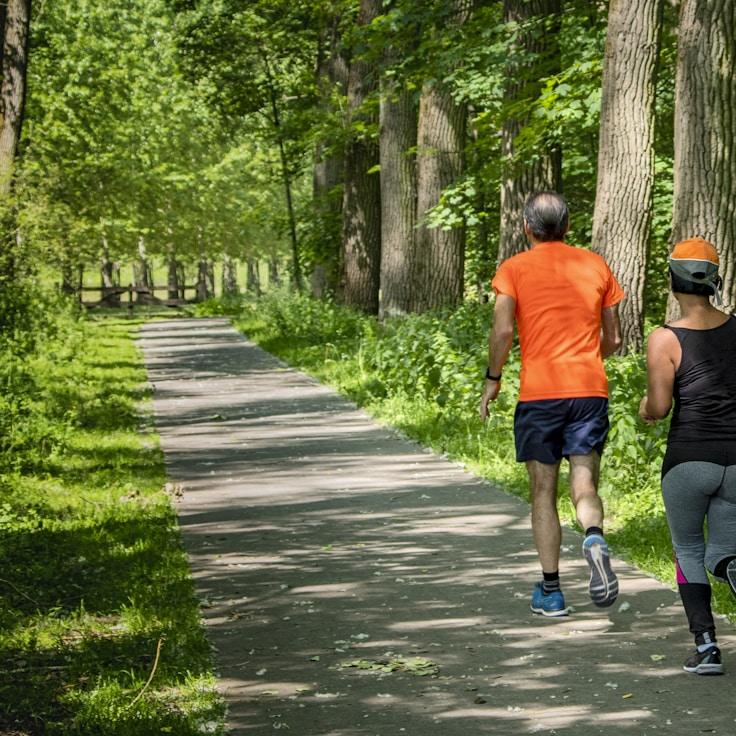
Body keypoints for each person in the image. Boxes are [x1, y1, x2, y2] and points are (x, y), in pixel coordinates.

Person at [480, 191, 623, 617]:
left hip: (540, 395)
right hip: (588, 391)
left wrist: (493, 378)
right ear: (567, 226)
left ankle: (552, 591)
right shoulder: (595, 264)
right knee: (585, 482)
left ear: (526, 227)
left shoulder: (513, 269)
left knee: (543, 492)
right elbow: (612, 339)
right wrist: (588, 360)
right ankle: (594, 536)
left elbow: (503, 332)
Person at [639, 237, 736, 675]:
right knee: (725, 552)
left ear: (674, 280)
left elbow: (658, 408)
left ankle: (706, 647)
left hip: (689, 458)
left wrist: (645, 409)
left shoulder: (665, 338)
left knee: (688, 550)